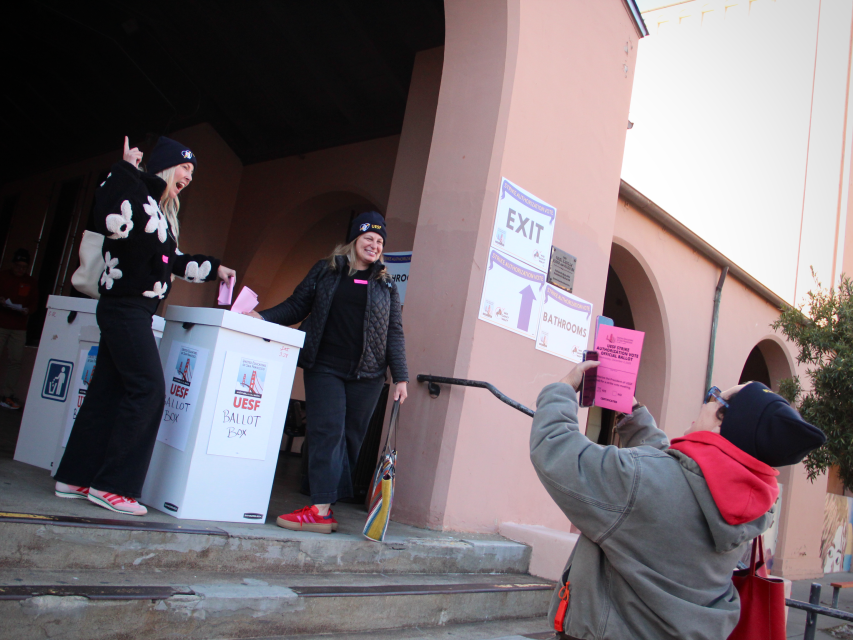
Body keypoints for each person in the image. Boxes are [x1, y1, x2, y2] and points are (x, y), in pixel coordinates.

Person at [530, 360, 827, 640]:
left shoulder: (644, 481)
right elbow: (678, 478)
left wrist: (564, 388)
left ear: (721, 426)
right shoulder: (753, 501)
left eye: (714, 398)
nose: (705, 402)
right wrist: (631, 413)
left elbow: (556, 450)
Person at [54, 136, 236, 516]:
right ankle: (114, 486)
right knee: (149, 391)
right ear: (167, 166)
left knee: (106, 393)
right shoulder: (134, 190)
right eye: (185, 167)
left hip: (131, 310)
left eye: (192, 171)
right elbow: (107, 217)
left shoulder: (158, 210)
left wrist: (213, 267)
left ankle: (75, 476)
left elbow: (172, 260)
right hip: (124, 308)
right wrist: (124, 168)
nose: (189, 175)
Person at [248, 210, 408, 534]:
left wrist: (400, 376)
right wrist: (261, 317)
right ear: (354, 240)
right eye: (368, 238)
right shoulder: (326, 270)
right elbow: (297, 305)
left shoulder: (386, 285)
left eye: (379, 241)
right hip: (325, 366)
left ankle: (324, 508)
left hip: (368, 375)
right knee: (327, 432)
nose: (374, 245)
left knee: (349, 440)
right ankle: (319, 509)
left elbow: (394, 332)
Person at [0, 248, 38, 409]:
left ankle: (7, 395)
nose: (20, 269)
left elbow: (35, 303)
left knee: (16, 360)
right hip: (1, 323)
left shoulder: (31, 282)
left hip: (19, 326)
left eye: (23, 267)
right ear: (13, 264)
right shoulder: (3, 276)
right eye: (17, 266)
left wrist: (28, 310)